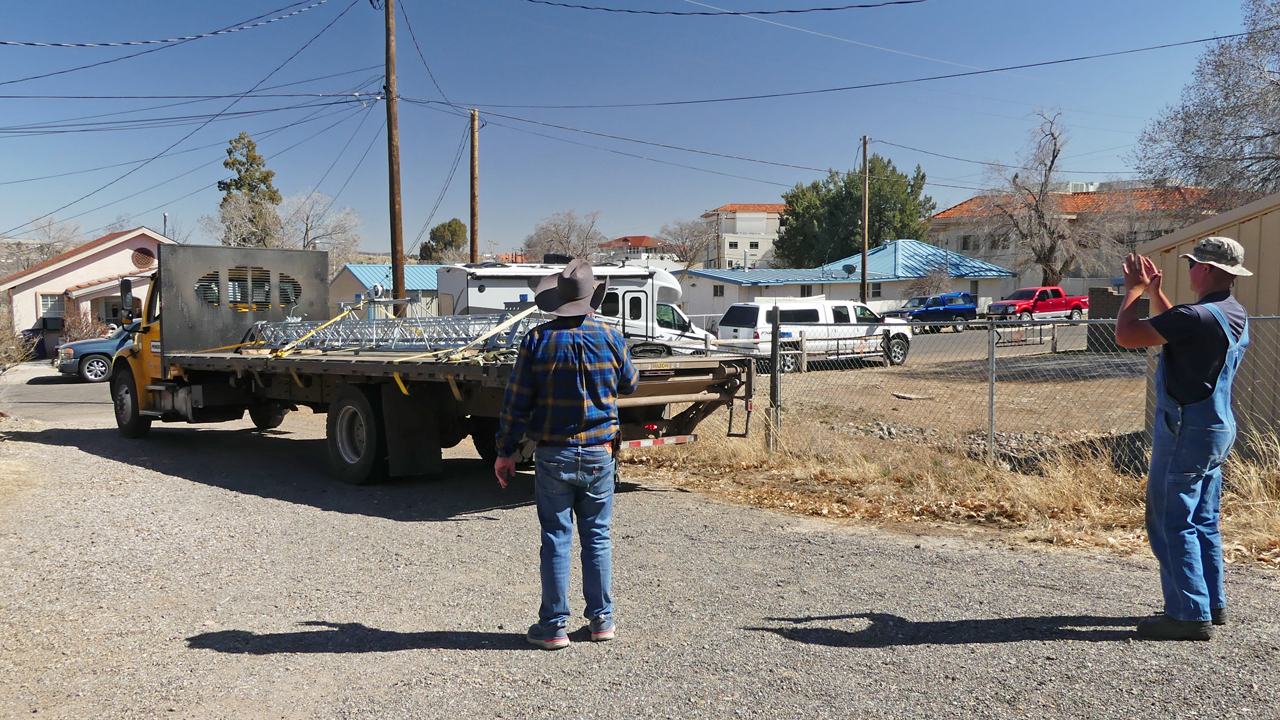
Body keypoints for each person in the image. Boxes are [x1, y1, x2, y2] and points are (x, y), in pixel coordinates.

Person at [494, 259, 638, 650]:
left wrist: (505, 451)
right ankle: (601, 620)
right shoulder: (611, 337)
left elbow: (516, 403)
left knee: (556, 538)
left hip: (553, 454)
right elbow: (630, 384)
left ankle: (555, 625)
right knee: (597, 537)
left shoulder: (537, 340)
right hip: (599, 453)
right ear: (592, 297)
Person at [1115, 236, 1252, 641]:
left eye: (1193, 263)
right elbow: (1181, 328)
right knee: (1203, 519)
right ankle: (1210, 602)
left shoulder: (1196, 316)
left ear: (1206, 269)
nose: (1189, 268)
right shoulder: (1229, 311)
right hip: (1217, 427)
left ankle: (1187, 614)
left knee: (1171, 518)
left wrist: (1135, 293)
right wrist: (1158, 295)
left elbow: (1127, 335)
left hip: (1186, 428)